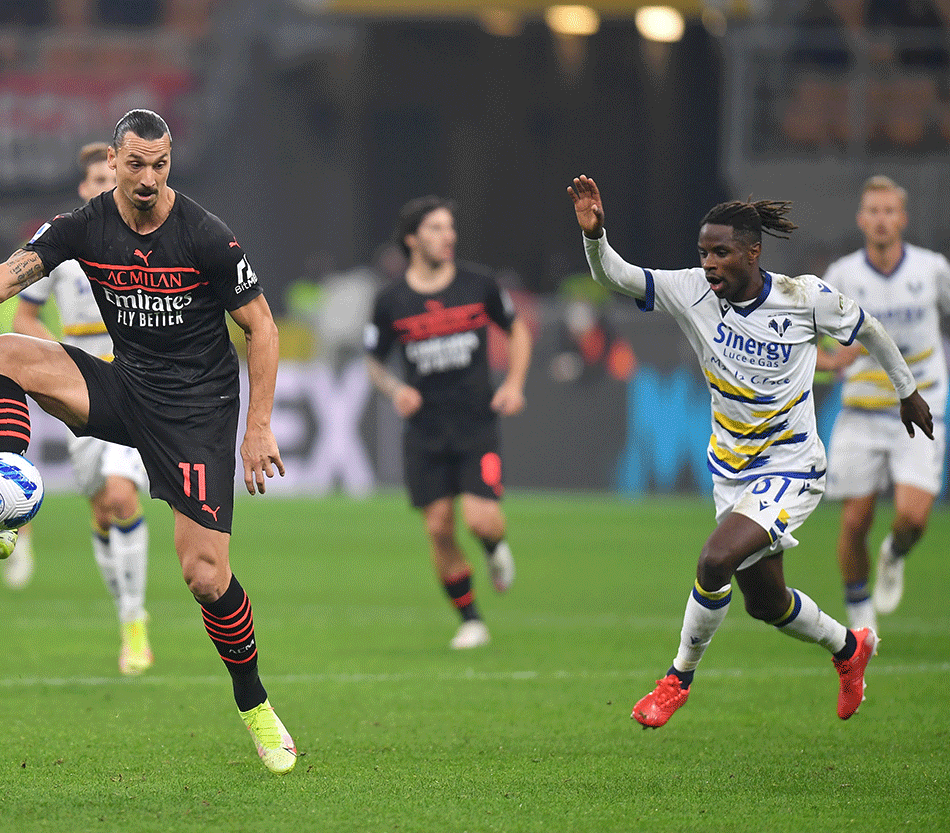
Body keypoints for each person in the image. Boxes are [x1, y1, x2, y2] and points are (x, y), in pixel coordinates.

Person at [0, 110, 297, 774]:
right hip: (126, 387)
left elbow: (261, 326)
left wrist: (258, 426)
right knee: (0, 349)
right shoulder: (84, 226)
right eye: (136, 164)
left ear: (169, 163)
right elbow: (5, 280)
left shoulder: (206, 234)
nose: (149, 177)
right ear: (117, 162)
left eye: (160, 165)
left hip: (197, 412)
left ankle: (255, 703)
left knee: (205, 576)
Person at [567, 174, 934, 727]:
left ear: (753, 252)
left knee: (714, 559)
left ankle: (676, 680)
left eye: (721, 252)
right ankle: (848, 649)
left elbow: (872, 330)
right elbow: (616, 276)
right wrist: (596, 235)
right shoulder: (692, 290)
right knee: (767, 602)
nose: (709, 263)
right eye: (703, 252)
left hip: (792, 468)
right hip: (732, 472)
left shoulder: (803, 298)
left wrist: (907, 391)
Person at [11, 141, 154, 675]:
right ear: (83, 186)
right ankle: (125, 616)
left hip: (139, 386)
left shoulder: (147, 237)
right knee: (99, 509)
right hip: (84, 389)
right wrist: (62, 364)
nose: (103, 186)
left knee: (120, 496)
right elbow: (24, 318)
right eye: (95, 178)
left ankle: (135, 625)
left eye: (110, 177)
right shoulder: (64, 240)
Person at [364, 196, 531, 650]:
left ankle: (496, 551)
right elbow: (374, 361)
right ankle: (472, 620)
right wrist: (396, 389)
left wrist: (514, 383)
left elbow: (516, 330)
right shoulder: (391, 300)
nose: (448, 235)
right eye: (437, 228)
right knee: (438, 527)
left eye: (450, 227)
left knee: (481, 521)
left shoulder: (479, 283)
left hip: (476, 426)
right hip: (425, 432)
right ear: (413, 239)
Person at [816, 175, 950, 635]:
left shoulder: (932, 270)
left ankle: (894, 553)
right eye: (873, 211)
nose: (881, 219)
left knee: (913, 516)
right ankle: (860, 617)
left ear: (903, 219)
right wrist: (833, 361)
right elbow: (808, 340)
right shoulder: (842, 276)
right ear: (861, 219)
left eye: (889, 211)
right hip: (860, 412)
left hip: (921, 407)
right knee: (855, 521)